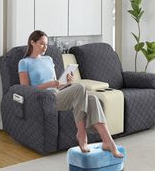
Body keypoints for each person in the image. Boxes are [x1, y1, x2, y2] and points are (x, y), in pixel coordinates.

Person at [18, 30, 123, 158]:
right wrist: (49, 84)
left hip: (58, 93)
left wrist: (66, 82)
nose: (45, 47)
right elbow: (25, 90)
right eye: (42, 44)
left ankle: (108, 141)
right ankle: (81, 133)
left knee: (93, 99)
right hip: (45, 98)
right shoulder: (24, 63)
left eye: (46, 44)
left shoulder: (48, 59)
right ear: (32, 42)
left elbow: (57, 84)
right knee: (79, 87)